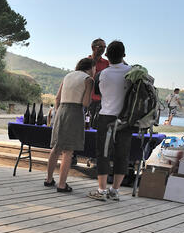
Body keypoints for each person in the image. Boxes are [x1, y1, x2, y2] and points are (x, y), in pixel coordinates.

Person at [89, 40, 131, 201]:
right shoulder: (131, 73)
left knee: (103, 153)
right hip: (126, 118)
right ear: (124, 55)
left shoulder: (103, 74)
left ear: (107, 55)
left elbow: (98, 93)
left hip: (106, 117)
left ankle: (101, 190)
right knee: (122, 154)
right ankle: (115, 190)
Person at [44, 58, 94, 193]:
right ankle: (61, 184)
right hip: (75, 112)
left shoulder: (68, 76)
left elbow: (57, 98)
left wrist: (58, 112)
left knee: (56, 147)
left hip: (61, 111)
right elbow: (85, 103)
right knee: (68, 151)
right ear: (91, 68)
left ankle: (48, 179)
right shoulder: (88, 79)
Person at [86, 38, 109, 126]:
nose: (103, 49)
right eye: (100, 47)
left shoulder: (107, 63)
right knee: (85, 126)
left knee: (96, 127)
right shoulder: (85, 62)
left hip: (101, 101)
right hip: (86, 100)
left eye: (104, 47)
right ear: (93, 48)